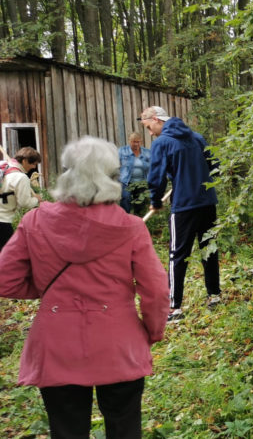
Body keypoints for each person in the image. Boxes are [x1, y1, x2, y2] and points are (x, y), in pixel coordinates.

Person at [0, 137, 169, 438]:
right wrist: (154, 331)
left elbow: (5, 278)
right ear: (112, 176)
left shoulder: (35, 221)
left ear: (66, 174)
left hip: (56, 344)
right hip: (119, 343)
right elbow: (155, 290)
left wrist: (47, 289)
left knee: (66, 430)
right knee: (124, 427)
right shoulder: (131, 227)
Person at [143, 106, 220, 322]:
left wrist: (155, 200)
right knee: (209, 249)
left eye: (149, 127)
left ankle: (174, 307)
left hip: (184, 206)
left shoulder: (162, 143)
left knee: (177, 255)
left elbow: (156, 176)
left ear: (157, 119)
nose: (150, 133)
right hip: (207, 203)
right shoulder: (198, 138)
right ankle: (214, 295)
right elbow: (215, 167)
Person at [0, 147, 42, 251]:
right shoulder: (21, 178)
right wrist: (37, 200)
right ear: (24, 161)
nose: (33, 167)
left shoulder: (2, 166)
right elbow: (25, 203)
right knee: (5, 256)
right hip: (3, 222)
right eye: (33, 163)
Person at [119, 132, 152, 215]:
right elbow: (114, 163)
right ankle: (125, 218)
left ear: (141, 142)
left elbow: (153, 165)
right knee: (126, 198)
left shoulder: (147, 152)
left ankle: (139, 219)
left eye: (138, 142)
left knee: (140, 201)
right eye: (134, 141)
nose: (136, 144)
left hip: (142, 182)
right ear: (129, 141)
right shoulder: (122, 151)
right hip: (126, 181)